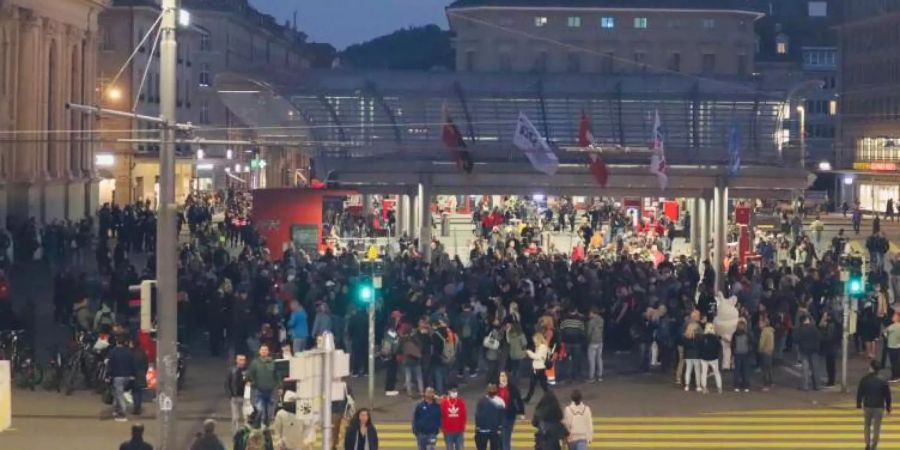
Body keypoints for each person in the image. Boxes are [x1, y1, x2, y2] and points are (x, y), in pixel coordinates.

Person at [857, 361, 892, 450]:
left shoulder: (864, 379)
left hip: (868, 405)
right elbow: (887, 395)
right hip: (879, 406)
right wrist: (888, 406)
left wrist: (858, 404)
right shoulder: (883, 381)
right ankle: (874, 445)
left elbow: (860, 392)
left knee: (867, 425)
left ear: (871, 368)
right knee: (877, 427)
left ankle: (867, 444)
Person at [246, 344, 278, 425]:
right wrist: (251, 382)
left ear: (268, 351)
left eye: (265, 350)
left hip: (271, 391)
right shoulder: (255, 363)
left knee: (270, 414)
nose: (264, 351)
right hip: (259, 391)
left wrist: (280, 386)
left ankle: (269, 429)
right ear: (259, 351)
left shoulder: (273, 362)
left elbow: (277, 375)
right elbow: (249, 374)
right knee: (261, 413)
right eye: (262, 350)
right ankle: (262, 428)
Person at [108, 338, 136, 422]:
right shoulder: (129, 352)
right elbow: (132, 363)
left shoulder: (113, 352)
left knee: (119, 395)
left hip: (117, 375)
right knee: (118, 393)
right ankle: (116, 410)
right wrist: (132, 374)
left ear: (117, 342)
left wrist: (109, 375)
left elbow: (111, 364)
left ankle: (122, 414)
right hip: (127, 376)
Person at [497, 371, 524, 450]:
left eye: (504, 376)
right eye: (501, 376)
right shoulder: (495, 388)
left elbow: (519, 400)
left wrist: (521, 412)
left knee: (506, 438)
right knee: (500, 439)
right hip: (497, 416)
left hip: (509, 415)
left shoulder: (512, 388)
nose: (503, 378)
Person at [474, 384, 504, 450]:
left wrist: (478, 427)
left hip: (485, 430)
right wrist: (500, 427)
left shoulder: (482, 401)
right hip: (493, 430)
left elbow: (478, 416)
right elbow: (501, 416)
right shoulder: (500, 401)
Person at [796, 315, 821, 391]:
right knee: (815, 369)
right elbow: (819, 337)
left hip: (804, 350)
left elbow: (796, 339)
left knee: (805, 369)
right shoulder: (814, 328)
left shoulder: (800, 329)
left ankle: (805, 386)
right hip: (814, 351)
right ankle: (816, 386)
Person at [524, 333, 551, 402]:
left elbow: (537, 357)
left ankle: (528, 398)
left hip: (539, 368)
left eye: (535, 340)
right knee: (538, 385)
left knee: (541, 385)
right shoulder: (540, 346)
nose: (534, 341)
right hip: (537, 368)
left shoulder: (542, 347)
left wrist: (529, 353)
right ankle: (528, 398)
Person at [227, 354, 249, 433]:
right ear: (236, 360)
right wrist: (230, 394)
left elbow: (252, 381)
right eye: (240, 359)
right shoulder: (232, 371)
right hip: (235, 397)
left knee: (246, 416)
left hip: (245, 397)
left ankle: (247, 431)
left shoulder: (247, 371)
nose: (242, 362)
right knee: (235, 417)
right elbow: (227, 383)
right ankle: (235, 432)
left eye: (243, 360)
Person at [698, 323, 723, 394]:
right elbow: (719, 347)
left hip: (703, 357)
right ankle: (719, 388)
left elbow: (699, 347)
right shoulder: (716, 338)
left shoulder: (702, 337)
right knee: (717, 372)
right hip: (713, 358)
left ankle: (704, 388)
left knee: (704, 373)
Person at [440, 385, 466, 450]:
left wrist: (462, 427)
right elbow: (441, 416)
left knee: (460, 447)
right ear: (449, 392)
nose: (455, 393)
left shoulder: (461, 402)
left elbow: (463, 415)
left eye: (456, 391)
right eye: (453, 391)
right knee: (449, 448)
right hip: (448, 431)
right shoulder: (444, 402)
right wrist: (443, 428)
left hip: (459, 431)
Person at [731, 319, 753, 393]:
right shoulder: (747, 334)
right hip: (745, 354)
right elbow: (751, 343)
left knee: (737, 371)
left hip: (737, 354)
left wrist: (733, 353)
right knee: (745, 370)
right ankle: (746, 386)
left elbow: (732, 345)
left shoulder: (735, 334)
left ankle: (736, 386)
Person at [585, 308, 604, 383]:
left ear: (594, 313)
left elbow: (589, 333)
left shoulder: (591, 322)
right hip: (600, 341)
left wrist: (587, 340)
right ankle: (600, 376)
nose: (589, 315)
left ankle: (591, 377)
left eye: (590, 313)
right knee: (599, 358)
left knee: (592, 360)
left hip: (592, 342)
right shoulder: (601, 320)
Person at [682, 321, 702, 392]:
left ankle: (687, 385)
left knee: (688, 370)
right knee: (697, 371)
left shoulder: (685, 337)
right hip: (696, 355)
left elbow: (684, 347)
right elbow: (700, 346)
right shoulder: (699, 337)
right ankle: (698, 386)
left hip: (688, 355)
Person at [758, 316, 775, 391]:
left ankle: (766, 385)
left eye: (760, 323)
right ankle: (771, 383)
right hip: (770, 351)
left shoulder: (764, 332)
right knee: (769, 368)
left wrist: (759, 349)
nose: (759, 324)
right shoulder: (771, 331)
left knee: (764, 369)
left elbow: (761, 343)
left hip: (765, 351)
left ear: (764, 324)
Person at [884, 313, 900, 383]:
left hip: (892, 346)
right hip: (897, 345)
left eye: (894, 316)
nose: (893, 317)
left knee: (894, 362)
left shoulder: (893, 326)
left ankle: (895, 376)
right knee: (896, 361)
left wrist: (885, 334)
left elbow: (884, 331)